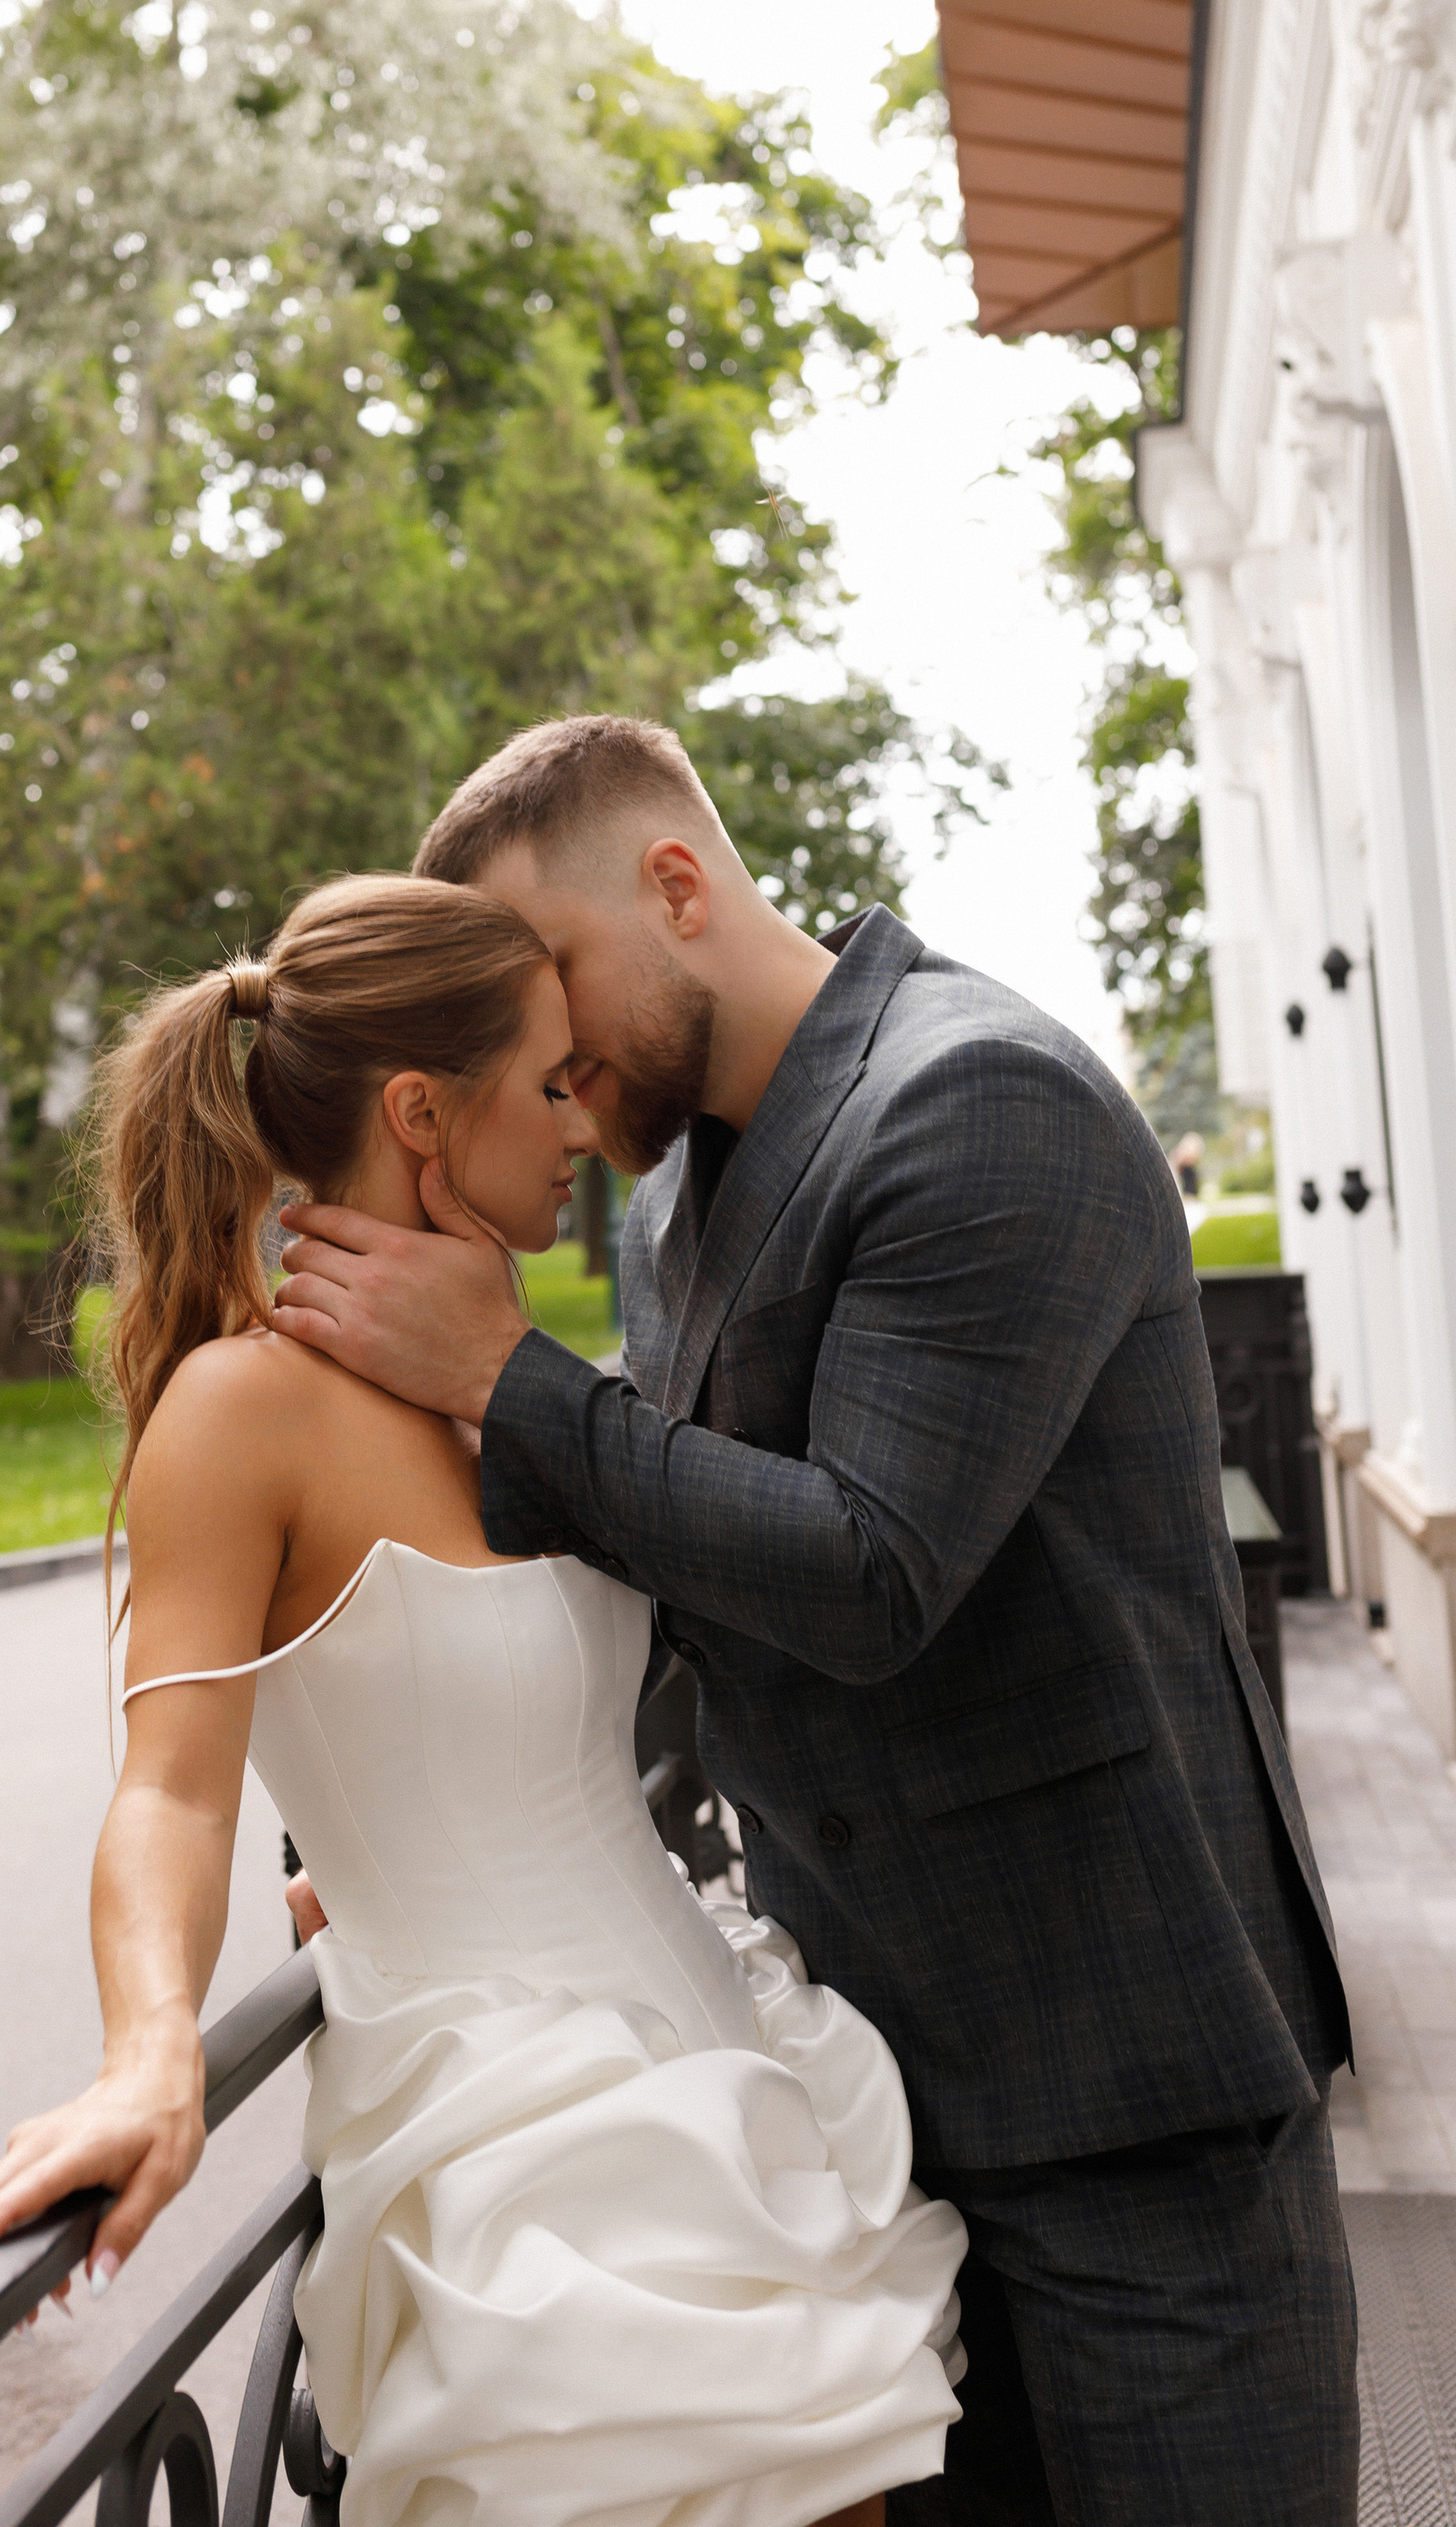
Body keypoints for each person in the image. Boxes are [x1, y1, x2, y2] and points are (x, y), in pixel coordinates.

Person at [267, 717, 1358, 2527]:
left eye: (548, 971)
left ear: (676, 886)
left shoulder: (976, 1098)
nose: (537, 1045)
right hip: (878, 2103)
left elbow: (868, 1571)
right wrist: (414, 1810)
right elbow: (670, 1553)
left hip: (1129, 2098)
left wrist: (507, 1376)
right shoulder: (671, 1202)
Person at [0, 874, 969, 2527]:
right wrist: (151, 2057)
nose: (583, 1123)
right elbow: (170, 1788)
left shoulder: (502, 1377)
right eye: (549, 1081)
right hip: (529, 2166)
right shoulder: (239, 1408)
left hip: (721, 2070)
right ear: (422, 1115)